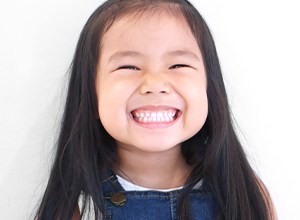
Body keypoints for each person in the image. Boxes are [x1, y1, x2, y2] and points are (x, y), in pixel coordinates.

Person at [35, 0, 277, 219]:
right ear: (91, 95)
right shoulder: (74, 207)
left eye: (178, 64)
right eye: (129, 67)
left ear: (209, 88)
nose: (154, 85)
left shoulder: (243, 193)